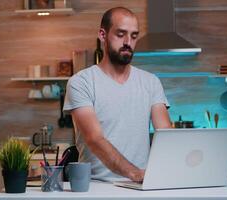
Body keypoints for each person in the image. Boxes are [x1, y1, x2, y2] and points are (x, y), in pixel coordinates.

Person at [63, 7, 172, 182]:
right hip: (96, 188)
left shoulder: (151, 82)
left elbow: (166, 135)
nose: (128, 42)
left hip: (140, 186)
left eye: (134, 36)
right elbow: (94, 139)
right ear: (102, 35)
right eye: (121, 34)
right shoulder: (81, 82)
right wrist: (134, 173)